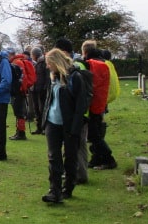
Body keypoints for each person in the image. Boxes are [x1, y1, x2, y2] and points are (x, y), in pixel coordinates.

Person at [40, 48, 89, 203]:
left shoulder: (75, 77)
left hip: (69, 124)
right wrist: (44, 120)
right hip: (52, 123)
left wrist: (75, 127)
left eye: (49, 63)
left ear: (56, 62)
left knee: (70, 157)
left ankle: (68, 187)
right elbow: (49, 99)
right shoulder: (53, 77)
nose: (47, 67)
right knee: (53, 157)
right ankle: (54, 191)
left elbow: (81, 105)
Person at [55, 38, 89, 184]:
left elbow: (80, 92)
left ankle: (78, 174)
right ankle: (77, 172)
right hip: (78, 111)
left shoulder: (76, 66)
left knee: (77, 145)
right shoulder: (78, 63)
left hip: (78, 112)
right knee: (78, 144)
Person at [81, 40, 117, 170]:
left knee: (94, 135)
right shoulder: (105, 64)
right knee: (94, 133)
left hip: (94, 103)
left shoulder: (92, 65)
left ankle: (108, 158)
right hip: (101, 101)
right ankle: (96, 158)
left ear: (85, 52)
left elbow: (91, 85)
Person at [8, 48, 36, 140]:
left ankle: (21, 133)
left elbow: (22, 78)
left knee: (19, 113)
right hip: (21, 91)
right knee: (19, 112)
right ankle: (19, 132)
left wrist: (20, 89)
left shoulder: (17, 63)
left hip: (18, 91)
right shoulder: (20, 61)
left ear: (11, 55)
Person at [30, 46, 49, 135]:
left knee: (42, 109)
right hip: (36, 89)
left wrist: (45, 87)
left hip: (41, 89)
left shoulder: (43, 62)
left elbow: (47, 77)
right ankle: (40, 127)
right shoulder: (37, 63)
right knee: (37, 109)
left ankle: (43, 127)